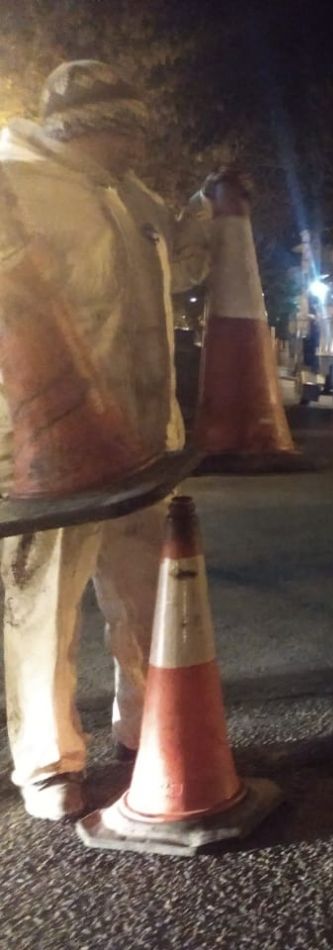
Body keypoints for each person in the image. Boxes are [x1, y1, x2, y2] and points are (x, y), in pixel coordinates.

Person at [0, 61, 214, 820]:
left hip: (143, 445)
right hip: (46, 454)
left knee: (147, 594)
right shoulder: (12, 185)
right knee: (42, 609)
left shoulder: (132, 197)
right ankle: (47, 764)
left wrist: (207, 214)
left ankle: (148, 727)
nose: (137, 147)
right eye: (125, 132)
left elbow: (176, 272)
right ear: (83, 129)